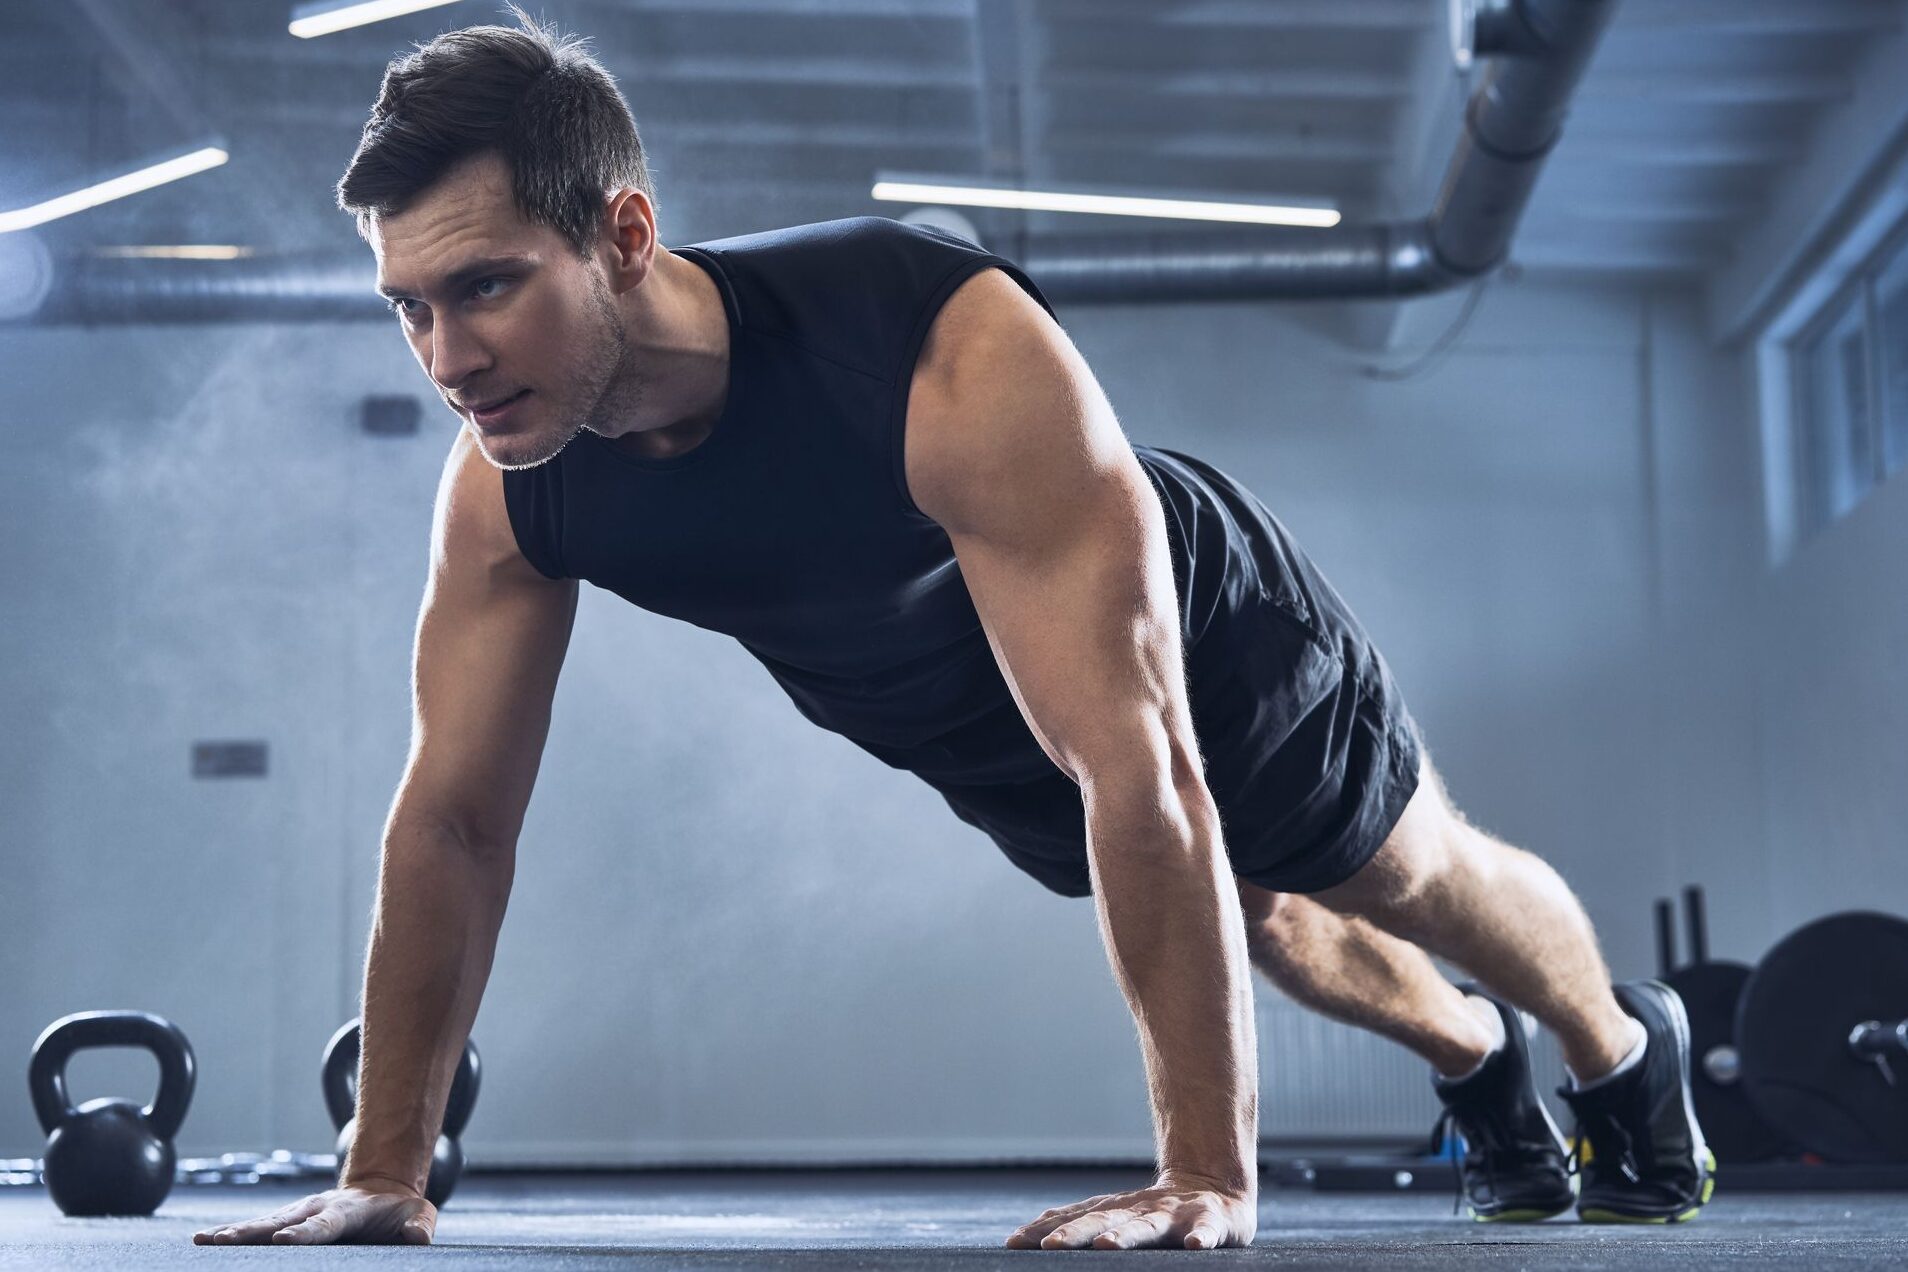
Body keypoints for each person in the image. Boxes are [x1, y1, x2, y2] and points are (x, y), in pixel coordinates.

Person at [194, 12, 1709, 1253]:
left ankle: (1621, 1052)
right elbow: (454, 819)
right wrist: (386, 1162)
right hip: (966, 715)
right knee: (1261, 922)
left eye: (485, 289)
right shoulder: (512, 488)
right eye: (408, 308)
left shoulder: (929, 342)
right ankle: (1473, 1061)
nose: (447, 358)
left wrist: (1204, 1177)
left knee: (1391, 869)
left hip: (1193, 631)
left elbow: (1143, 758)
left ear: (625, 233)